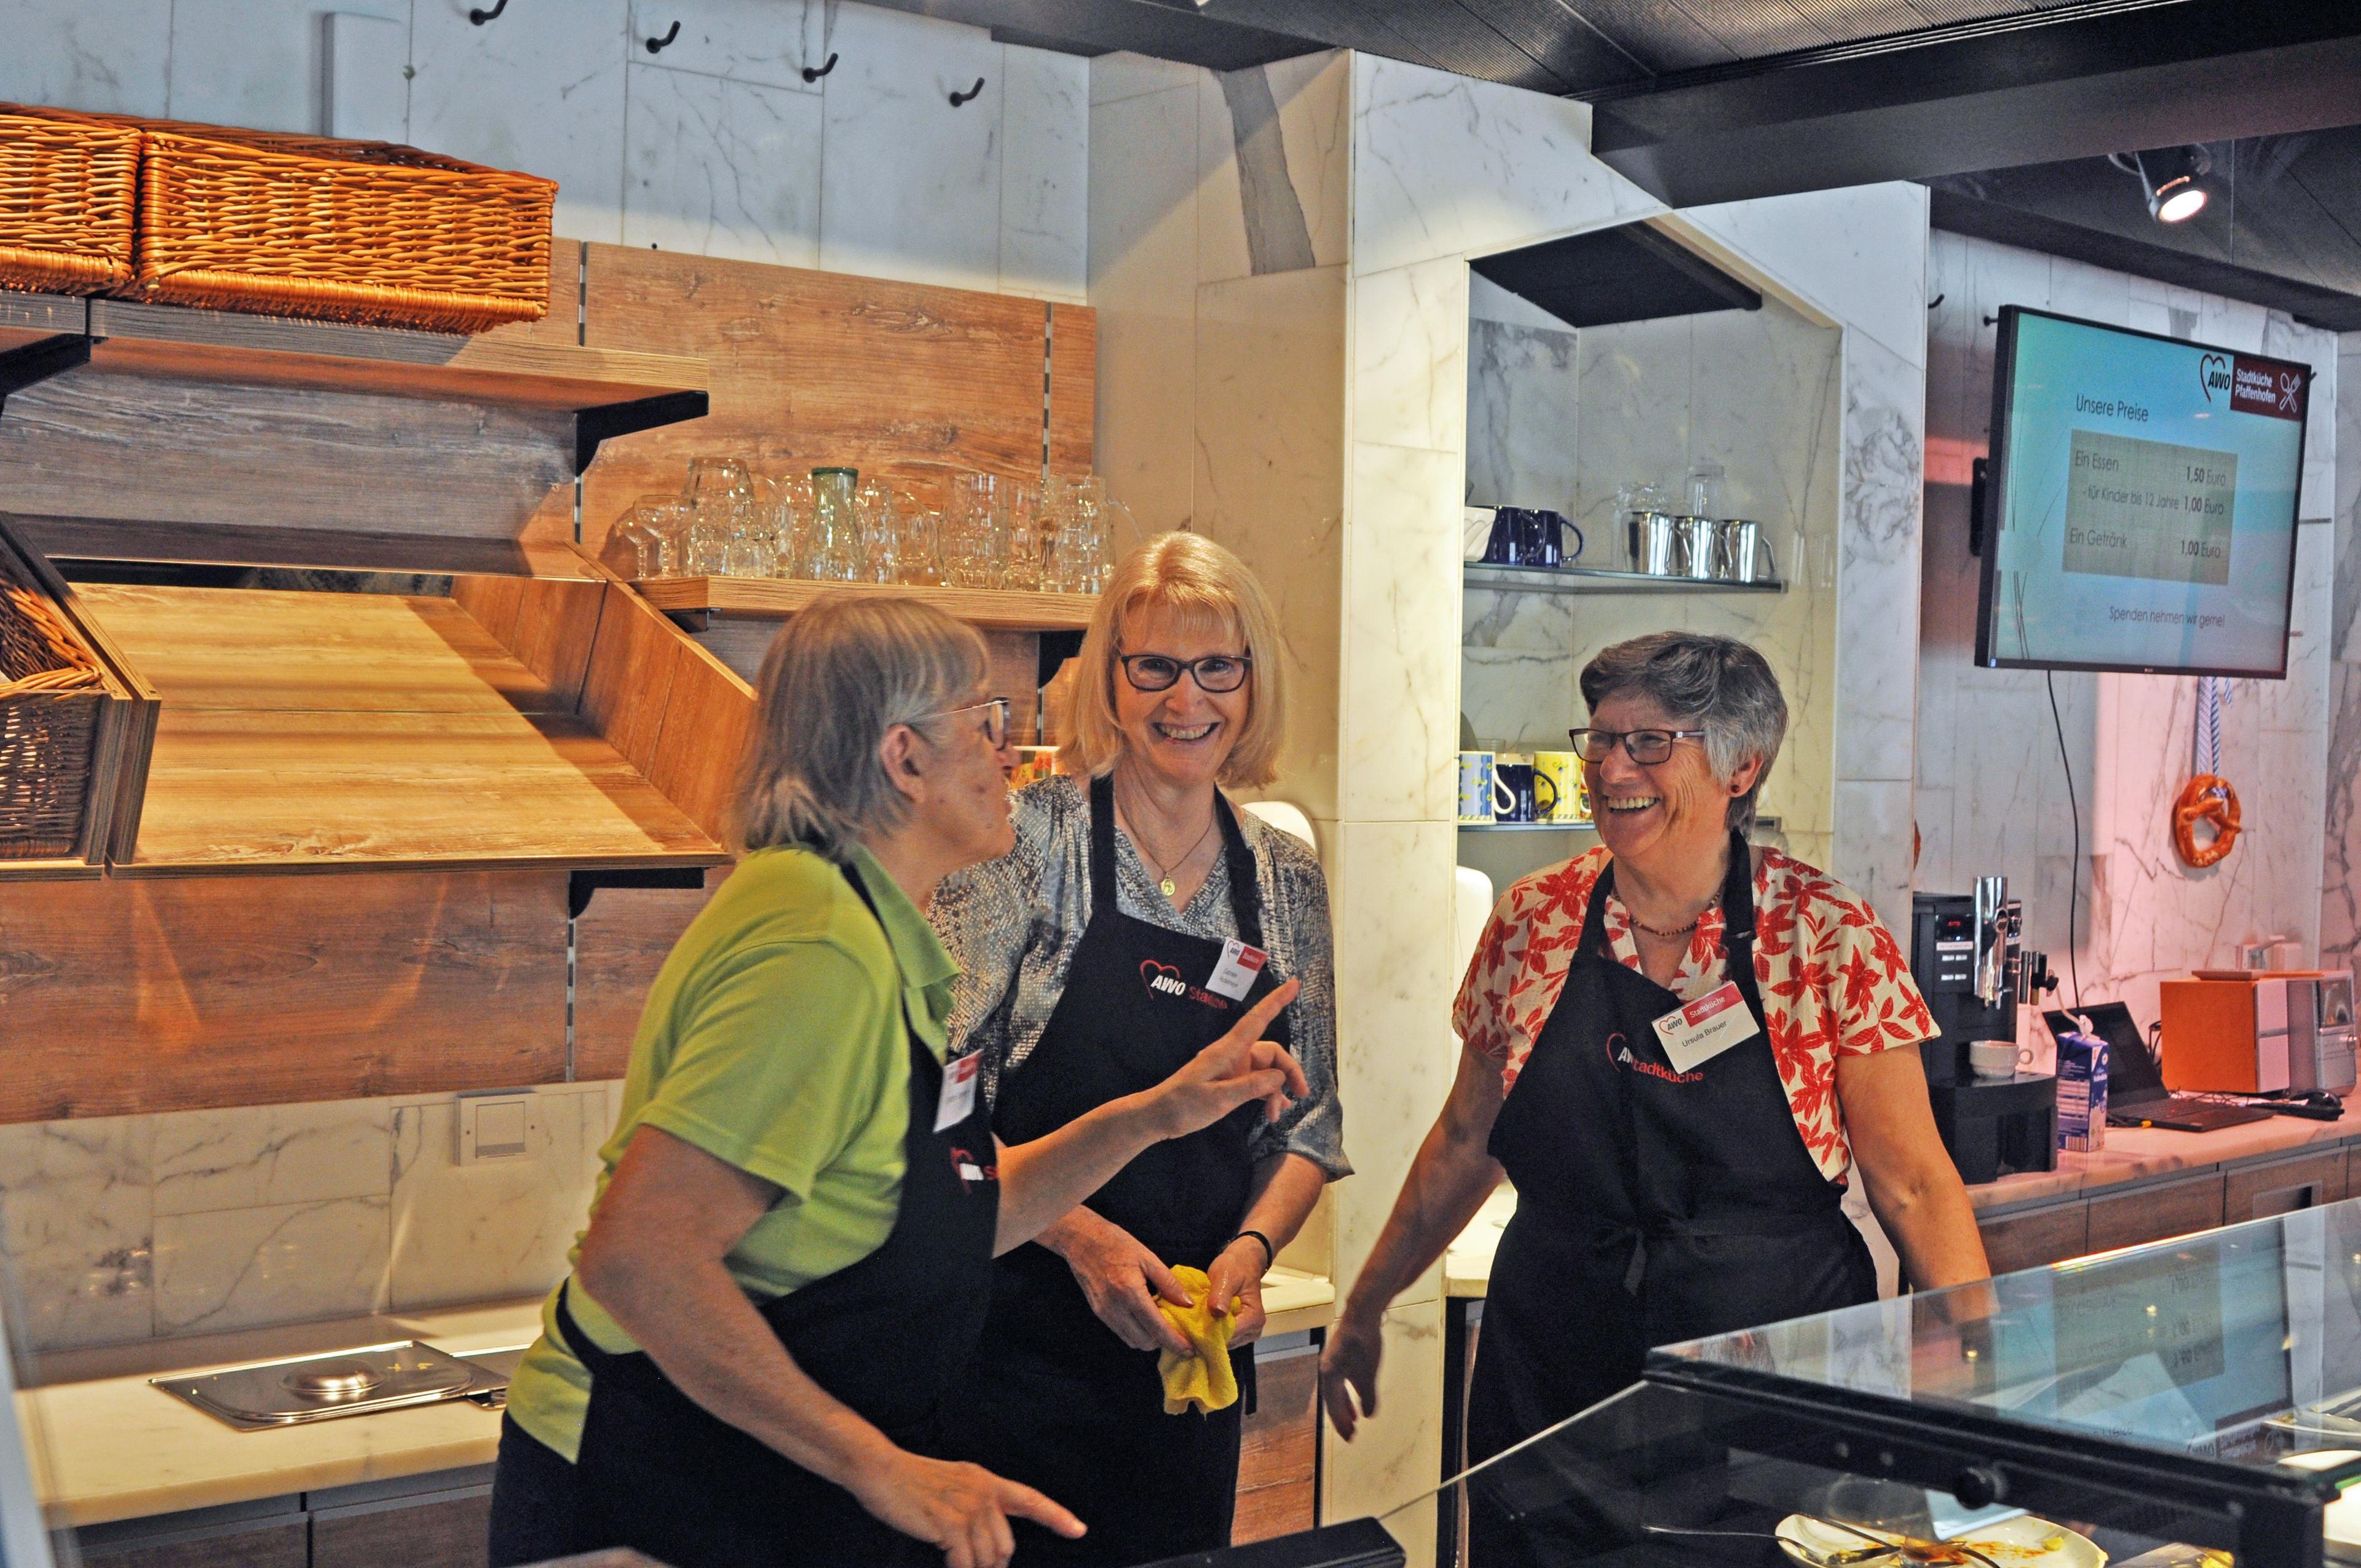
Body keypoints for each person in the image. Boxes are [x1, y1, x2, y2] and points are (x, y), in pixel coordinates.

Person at [486, 596, 1308, 1568]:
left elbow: (961, 1208)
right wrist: (878, 1465)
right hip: (654, 1487)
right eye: (986, 721)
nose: (1011, 753)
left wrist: (1157, 1114)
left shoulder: (880, 933)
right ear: (904, 759)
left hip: (768, 1489)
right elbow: (641, 1259)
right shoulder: (814, 946)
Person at [1320, 632, 1988, 1566]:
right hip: (1554, 1385)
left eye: (1650, 743)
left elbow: (1913, 1183)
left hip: (1769, 1401)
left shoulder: (1826, 935)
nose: (1612, 769)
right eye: (1600, 740)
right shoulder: (1535, 918)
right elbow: (1467, 1138)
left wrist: (1984, 1372)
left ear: (1742, 767)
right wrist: (1366, 1305)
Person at [930, 531, 1348, 1565]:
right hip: (1006, 1348)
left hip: (1181, 1377)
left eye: (1217, 668)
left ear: (1251, 681)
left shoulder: (1284, 876)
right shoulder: (1023, 844)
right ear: (1110, 680)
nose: (1186, 698)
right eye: (1155, 666)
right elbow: (938, 1112)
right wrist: (1083, 1240)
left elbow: (1307, 1128)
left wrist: (1250, 1256)